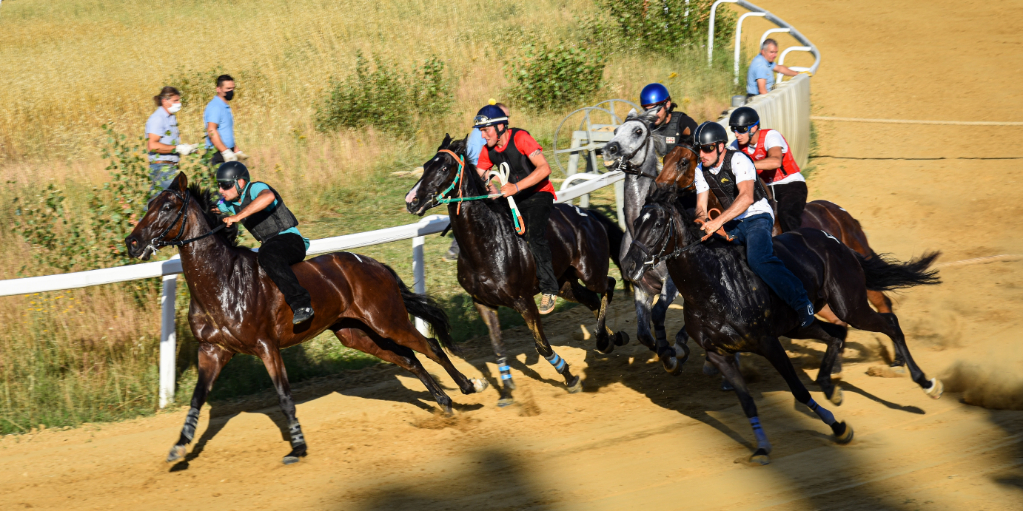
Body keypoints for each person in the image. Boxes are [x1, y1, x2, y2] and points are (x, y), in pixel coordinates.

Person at [691, 122, 815, 327]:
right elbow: (701, 209)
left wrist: (717, 223)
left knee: (758, 259)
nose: (702, 154)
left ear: (721, 146)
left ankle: (802, 303)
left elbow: (747, 198)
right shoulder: (700, 170)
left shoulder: (739, 160)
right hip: (731, 222)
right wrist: (701, 223)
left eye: (707, 148)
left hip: (757, 216)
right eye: (699, 149)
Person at [472, 104, 561, 314]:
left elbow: (545, 168)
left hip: (539, 194)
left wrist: (516, 187)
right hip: (514, 197)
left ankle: (549, 289)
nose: (483, 136)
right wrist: (489, 185)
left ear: (500, 126)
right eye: (481, 131)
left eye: (486, 130)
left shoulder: (521, 138)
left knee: (533, 235)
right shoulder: (487, 150)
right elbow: (479, 175)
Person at [214, 162, 314, 324]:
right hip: (269, 245)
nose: (220, 190)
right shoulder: (229, 204)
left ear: (240, 182)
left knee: (266, 254)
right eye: (219, 185)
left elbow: (268, 197)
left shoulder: (255, 188)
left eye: (225, 185)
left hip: (291, 240)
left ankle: (302, 304)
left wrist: (237, 217)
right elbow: (210, 209)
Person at [442, 102, 510, 262]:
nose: (506, 121)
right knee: (478, 211)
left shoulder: (488, 131)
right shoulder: (485, 133)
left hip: (475, 173)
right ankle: (457, 248)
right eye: (505, 117)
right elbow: (479, 162)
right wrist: (489, 185)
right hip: (475, 174)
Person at [727, 106, 807, 232]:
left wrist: (747, 164)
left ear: (753, 128)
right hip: (764, 188)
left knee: (786, 215)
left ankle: (799, 247)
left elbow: (776, 161)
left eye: (741, 130)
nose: (736, 134)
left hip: (790, 184)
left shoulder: (771, 135)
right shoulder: (735, 145)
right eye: (734, 129)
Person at [145, 86, 197, 190]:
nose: (178, 103)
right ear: (165, 101)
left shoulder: (171, 117)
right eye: (175, 101)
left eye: (178, 100)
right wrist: (178, 148)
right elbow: (152, 145)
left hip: (170, 167)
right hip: (161, 168)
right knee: (179, 198)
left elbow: (170, 142)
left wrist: (187, 148)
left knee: (159, 202)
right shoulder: (158, 118)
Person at [639, 83, 699, 156]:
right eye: (647, 111)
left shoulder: (685, 123)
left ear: (667, 105)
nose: (653, 115)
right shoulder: (645, 128)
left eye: (656, 110)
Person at [204, 74, 248, 166]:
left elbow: (225, 132)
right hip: (218, 154)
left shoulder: (224, 106)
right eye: (228, 89)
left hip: (228, 152)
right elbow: (211, 130)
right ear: (218, 89)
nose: (231, 91)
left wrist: (236, 150)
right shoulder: (215, 107)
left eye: (233, 88)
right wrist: (225, 152)